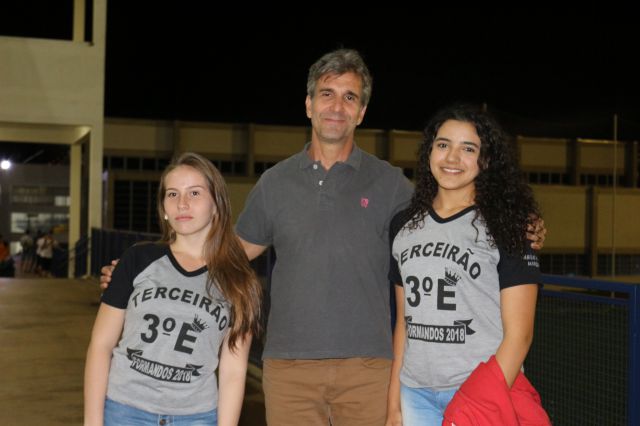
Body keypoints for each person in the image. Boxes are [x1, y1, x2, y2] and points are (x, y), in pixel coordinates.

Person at [100, 49, 546, 425]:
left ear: (362, 112)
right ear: (309, 104)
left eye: (350, 97)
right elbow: (224, 255)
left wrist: (520, 223)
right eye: (327, 94)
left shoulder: (391, 184)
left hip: (369, 368)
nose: (337, 106)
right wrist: (145, 270)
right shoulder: (274, 183)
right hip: (288, 367)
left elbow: (449, 208)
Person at [386, 104, 550, 425]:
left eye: (468, 148)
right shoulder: (403, 225)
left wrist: (476, 404)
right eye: (443, 144)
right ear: (429, 151)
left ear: (485, 160)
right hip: (415, 393)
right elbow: (404, 323)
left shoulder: (510, 225)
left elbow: (520, 335)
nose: (452, 158)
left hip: (478, 391)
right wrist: (394, 404)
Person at [84, 152, 262, 425]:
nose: (182, 203)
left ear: (217, 204)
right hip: (125, 412)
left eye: (194, 193)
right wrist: (92, 421)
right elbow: (101, 345)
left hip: (196, 417)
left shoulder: (238, 280)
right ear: (163, 208)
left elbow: (233, 372)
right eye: (172, 194)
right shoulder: (137, 259)